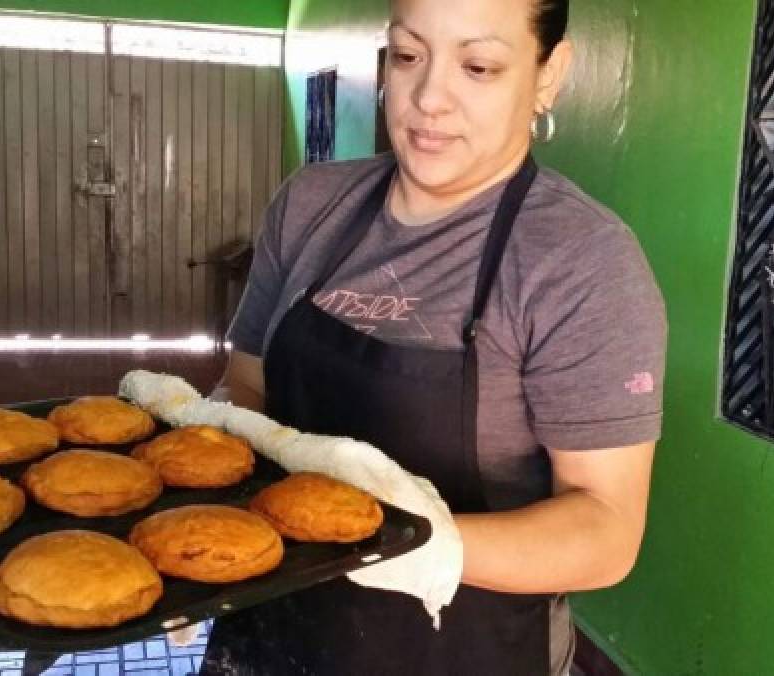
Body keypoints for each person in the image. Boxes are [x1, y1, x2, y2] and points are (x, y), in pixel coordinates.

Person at [201, 0, 667, 673]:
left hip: (462, 649)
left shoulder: (581, 262)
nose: (427, 99)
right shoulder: (310, 206)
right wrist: (221, 513)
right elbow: (246, 383)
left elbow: (606, 529)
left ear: (548, 74)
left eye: (478, 65)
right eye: (409, 54)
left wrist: (400, 546)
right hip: (269, 633)